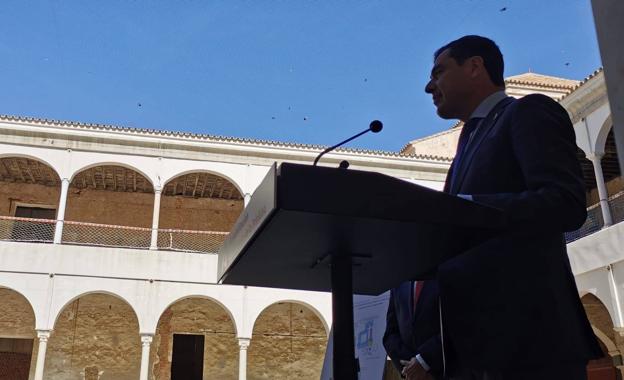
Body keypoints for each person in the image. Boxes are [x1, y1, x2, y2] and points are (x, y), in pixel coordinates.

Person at [402, 35, 602, 379]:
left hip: (529, 344)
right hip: (473, 353)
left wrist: (464, 208)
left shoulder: (527, 112)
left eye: (438, 73)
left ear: (475, 66)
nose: (428, 86)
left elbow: (565, 202)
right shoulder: (468, 142)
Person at [383, 280, 441, 380]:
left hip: (442, 373)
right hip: (412, 374)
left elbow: (455, 326)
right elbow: (390, 335)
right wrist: (412, 367)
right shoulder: (399, 282)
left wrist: (423, 362)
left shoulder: (448, 274)